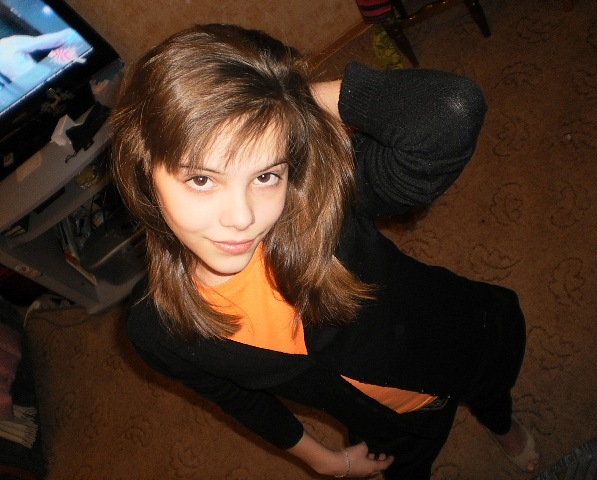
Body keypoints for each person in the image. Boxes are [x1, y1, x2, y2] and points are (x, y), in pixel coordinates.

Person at [111, 23, 540, 478]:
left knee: (493, 394)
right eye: (202, 179)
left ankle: (502, 426)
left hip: (460, 338)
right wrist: (327, 460)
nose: (242, 217)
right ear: (144, 171)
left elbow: (451, 112)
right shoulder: (156, 329)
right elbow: (237, 398)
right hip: (387, 423)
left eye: (266, 175)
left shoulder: (321, 202)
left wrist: (289, 104)